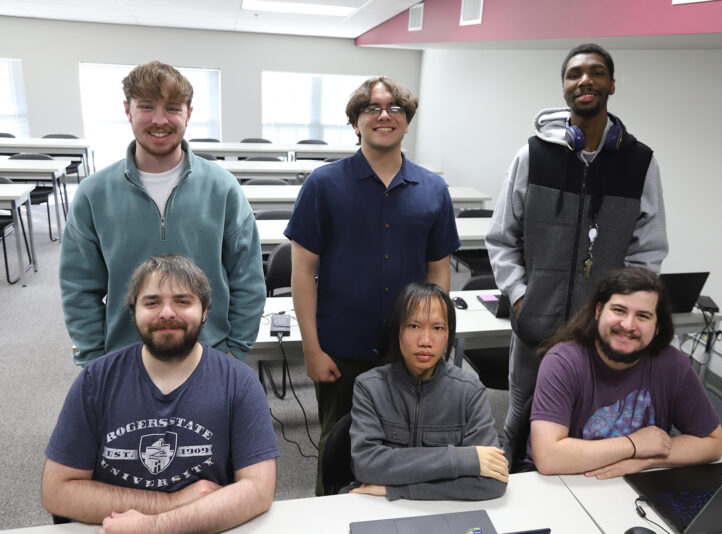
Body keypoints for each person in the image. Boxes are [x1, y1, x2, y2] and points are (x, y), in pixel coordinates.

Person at [486, 43, 669, 459]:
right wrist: (519, 298)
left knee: (589, 420)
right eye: (574, 74)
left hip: (600, 330)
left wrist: (620, 312)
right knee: (520, 416)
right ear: (565, 87)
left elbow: (648, 250)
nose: (585, 80)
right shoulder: (532, 155)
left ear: (612, 84)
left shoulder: (639, 162)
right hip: (535, 324)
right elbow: (502, 238)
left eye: (596, 72)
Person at [285, 77, 461, 495]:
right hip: (340, 348)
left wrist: (435, 336)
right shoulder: (323, 184)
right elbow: (302, 272)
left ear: (407, 120)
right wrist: (311, 348)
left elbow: (438, 273)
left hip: (407, 346)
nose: (384, 115)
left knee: (407, 443)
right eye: (371, 108)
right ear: (356, 122)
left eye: (395, 108)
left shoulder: (433, 190)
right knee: (337, 445)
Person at [42, 255, 279, 532]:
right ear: (134, 312)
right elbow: (57, 491)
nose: (166, 313)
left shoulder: (239, 382)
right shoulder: (96, 381)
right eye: (152, 302)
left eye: (182, 301)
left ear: (204, 312)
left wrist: (154, 527)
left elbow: (259, 490)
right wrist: (175, 502)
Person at [59, 60, 265, 366]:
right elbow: (78, 288)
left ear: (188, 114)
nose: (159, 120)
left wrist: (235, 352)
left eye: (172, 107)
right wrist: (94, 361)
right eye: (146, 107)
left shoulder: (223, 188)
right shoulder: (93, 194)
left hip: (211, 357)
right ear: (127, 110)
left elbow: (247, 279)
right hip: (123, 359)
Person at [526, 267, 722, 478]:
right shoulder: (563, 362)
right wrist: (633, 445)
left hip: (635, 482)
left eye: (643, 316)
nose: (628, 325)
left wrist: (646, 461)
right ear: (598, 311)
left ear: (657, 327)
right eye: (619, 310)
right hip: (566, 481)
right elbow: (548, 458)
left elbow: (714, 443)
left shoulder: (673, 365)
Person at [349, 282, 508, 500]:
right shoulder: (369, 388)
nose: (425, 341)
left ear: (448, 335)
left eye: (437, 328)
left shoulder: (469, 392)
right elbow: (367, 466)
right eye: (414, 326)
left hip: (427, 508)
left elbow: (493, 482)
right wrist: (461, 460)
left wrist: (398, 490)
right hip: (381, 509)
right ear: (397, 331)